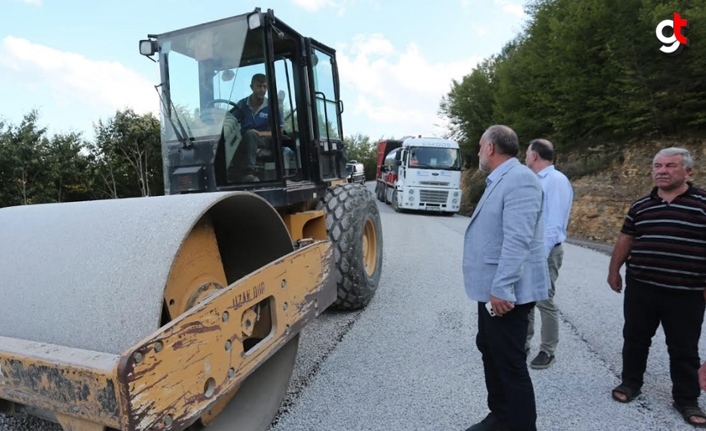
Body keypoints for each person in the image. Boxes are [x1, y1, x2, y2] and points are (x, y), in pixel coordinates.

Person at [607, 147, 706, 428]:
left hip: (687, 292)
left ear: (688, 171)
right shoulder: (641, 205)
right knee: (635, 338)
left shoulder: (702, 204)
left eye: (670, 166)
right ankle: (630, 382)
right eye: (657, 166)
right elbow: (626, 238)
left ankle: (686, 399)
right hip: (642, 287)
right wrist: (614, 270)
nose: (662, 171)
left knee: (684, 348)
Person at [462, 125, 550, 431]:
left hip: (506, 292)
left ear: (490, 148)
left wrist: (502, 287)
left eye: (479, 146)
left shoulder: (520, 179)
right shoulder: (502, 178)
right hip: (491, 290)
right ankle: (500, 415)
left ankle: (522, 426)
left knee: (510, 363)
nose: (477, 152)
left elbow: (518, 239)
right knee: (490, 349)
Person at [523, 139, 574, 369]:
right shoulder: (535, 179)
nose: (525, 157)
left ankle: (548, 350)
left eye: (526, 153)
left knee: (544, 300)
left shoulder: (556, 181)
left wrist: (539, 256)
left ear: (534, 155)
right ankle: (523, 343)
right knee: (525, 299)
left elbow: (553, 223)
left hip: (545, 252)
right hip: (530, 250)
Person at [229, 73, 283, 182]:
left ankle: (248, 171)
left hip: (263, 141)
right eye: (259, 86)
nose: (262, 90)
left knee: (250, 134)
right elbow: (231, 121)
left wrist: (260, 133)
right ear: (251, 87)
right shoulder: (242, 104)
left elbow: (279, 132)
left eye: (265, 87)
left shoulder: (271, 106)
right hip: (243, 139)